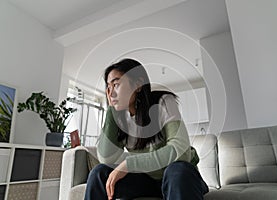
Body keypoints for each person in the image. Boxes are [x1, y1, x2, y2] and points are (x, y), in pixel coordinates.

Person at [84, 58, 208, 200]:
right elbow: (106, 158)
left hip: (178, 179)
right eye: (108, 87)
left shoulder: (163, 102)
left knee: (177, 170)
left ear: (137, 85)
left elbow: (180, 152)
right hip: (146, 182)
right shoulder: (119, 118)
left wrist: (129, 164)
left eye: (116, 84)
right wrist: (111, 111)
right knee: (99, 173)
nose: (111, 93)